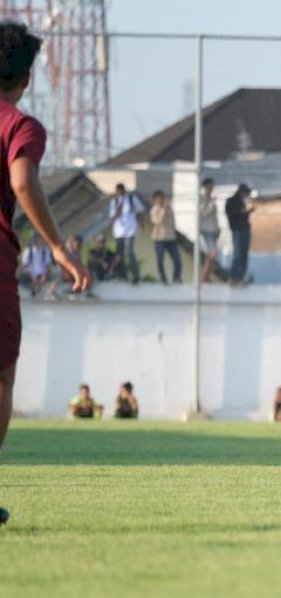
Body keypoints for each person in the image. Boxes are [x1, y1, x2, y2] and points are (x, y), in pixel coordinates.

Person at [0, 22, 89, 525]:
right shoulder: (20, 125)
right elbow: (22, 179)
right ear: (27, 76)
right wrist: (57, 245)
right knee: (1, 375)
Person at [107, 182, 143, 284]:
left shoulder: (132, 199)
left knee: (129, 253)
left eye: (121, 191)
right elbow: (111, 216)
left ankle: (136, 275)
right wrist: (116, 213)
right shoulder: (114, 202)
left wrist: (141, 224)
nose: (120, 193)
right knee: (119, 254)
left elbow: (140, 211)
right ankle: (121, 275)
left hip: (130, 230)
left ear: (124, 190)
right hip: (119, 231)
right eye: (118, 191)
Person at [149, 190, 182, 285]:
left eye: (162, 198)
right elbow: (157, 222)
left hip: (171, 238)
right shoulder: (154, 210)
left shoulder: (169, 208)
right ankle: (163, 278)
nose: (162, 200)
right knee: (160, 260)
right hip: (160, 239)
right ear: (155, 200)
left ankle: (177, 277)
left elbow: (173, 221)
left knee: (177, 259)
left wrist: (174, 233)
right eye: (159, 198)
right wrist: (163, 210)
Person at [225, 183, 254, 285]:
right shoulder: (231, 201)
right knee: (238, 253)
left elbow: (243, 215)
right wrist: (243, 213)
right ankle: (234, 277)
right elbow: (233, 215)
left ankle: (241, 276)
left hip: (244, 229)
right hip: (237, 230)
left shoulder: (242, 202)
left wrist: (247, 212)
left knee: (244, 253)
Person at [198, 178, 220, 282]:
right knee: (212, 253)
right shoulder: (202, 198)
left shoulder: (210, 198)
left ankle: (206, 276)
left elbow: (214, 216)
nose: (212, 188)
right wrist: (211, 204)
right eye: (210, 186)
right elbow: (202, 213)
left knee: (211, 254)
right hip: (206, 230)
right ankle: (204, 276)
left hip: (213, 229)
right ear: (205, 187)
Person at [19, 232, 49, 297]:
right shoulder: (28, 250)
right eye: (39, 239)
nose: (41, 241)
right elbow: (25, 266)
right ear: (35, 240)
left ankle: (39, 288)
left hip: (42, 275)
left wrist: (44, 275)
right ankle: (32, 288)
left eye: (42, 239)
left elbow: (47, 265)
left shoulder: (45, 250)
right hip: (31, 275)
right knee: (21, 278)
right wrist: (32, 276)